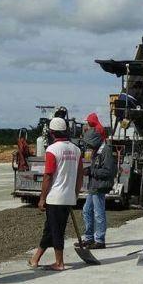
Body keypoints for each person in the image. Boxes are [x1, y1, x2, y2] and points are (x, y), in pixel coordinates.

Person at [27, 117, 83, 271]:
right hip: (68, 197)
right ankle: (35, 259)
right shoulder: (76, 150)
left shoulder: (52, 150)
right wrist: (75, 194)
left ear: (52, 133)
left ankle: (59, 263)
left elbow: (48, 176)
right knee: (50, 229)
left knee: (56, 230)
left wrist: (42, 198)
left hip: (55, 197)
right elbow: (80, 175)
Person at [81, 113, 114, 249]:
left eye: (90, 144)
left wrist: (91, 171)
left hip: (99, 186)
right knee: (86, 210)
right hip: (93, 186)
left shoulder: (106, 151)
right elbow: (96, 168)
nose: (89, 147)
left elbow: (108, 171)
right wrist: (89, 170)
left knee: (98, 213)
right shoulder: (96, 151)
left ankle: (100, 240)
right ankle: (89, 238)